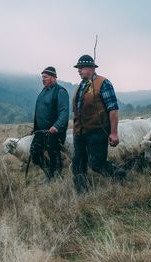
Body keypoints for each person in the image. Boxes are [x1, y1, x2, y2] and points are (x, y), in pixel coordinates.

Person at [71, 55, 126, 193]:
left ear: (91, 68)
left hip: (97, 131)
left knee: (96, 163)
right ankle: (82, 192)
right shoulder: (81, 86)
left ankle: (118, 175)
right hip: (80, 132)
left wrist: (113, 133)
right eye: (78, 68)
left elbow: (113, 109)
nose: (79, 70)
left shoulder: (103, 83)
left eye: (81, 68)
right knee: (78, 164)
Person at [30, 66, 69, 180]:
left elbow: (64, 112)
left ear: (53, 77)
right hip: (40, 131)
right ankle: (50, 174)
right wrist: (35, 127)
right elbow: (40, 110)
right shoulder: (44, 90)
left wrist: (56, 126)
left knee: (54, 155)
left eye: (45, 77)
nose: (43, 79)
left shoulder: (60, 91)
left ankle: (56, 178)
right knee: (35, 153)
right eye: (42, 77)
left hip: (54, 132)